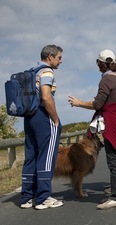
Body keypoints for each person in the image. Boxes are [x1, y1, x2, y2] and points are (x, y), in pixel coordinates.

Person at [68, 49, 116, 209]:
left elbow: (98, 104)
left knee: (113, 160)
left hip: (112, 122)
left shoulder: (106, 81)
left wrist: (79, 103)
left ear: (101, 64)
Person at [20, 44, 64, 210]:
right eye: (59, 57)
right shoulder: (47, 72)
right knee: (47, 156)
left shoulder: (32, 71)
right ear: (50, 56)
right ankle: (43, 197)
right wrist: (55, 119)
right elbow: (46, 97)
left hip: (29, 116)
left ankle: (26, 197)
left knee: (31, 155)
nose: (60, 61)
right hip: (42, 115)